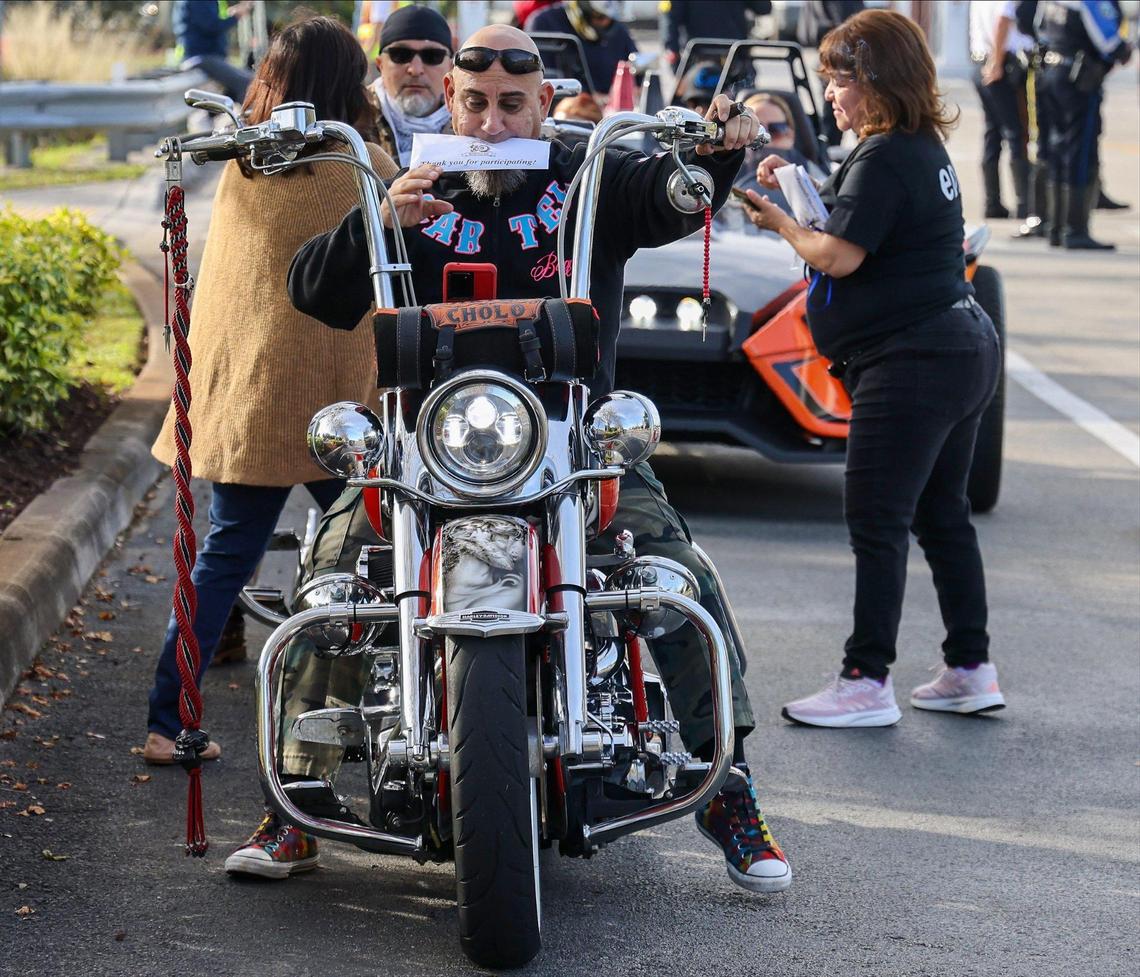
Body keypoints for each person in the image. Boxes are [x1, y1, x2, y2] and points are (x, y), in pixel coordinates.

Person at [229, 23, 793, 895]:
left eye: (512, 106)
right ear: (452, 102)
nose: (492, 125)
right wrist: (380, 222)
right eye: (476, 104)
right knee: (332, 579)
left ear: (542, 105)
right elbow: (313, 289)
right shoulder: (411, 185)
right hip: (422, 440)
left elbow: (673, 196)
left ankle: (728, 788)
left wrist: (717, 148)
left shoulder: (587, 177)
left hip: (572, 437)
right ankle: (294, 795)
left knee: (678, 577)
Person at [142, 16, 398, 765]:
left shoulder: (243, 166)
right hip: (338, 411)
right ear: (348, 85)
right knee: (380, 553)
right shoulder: (362, 162)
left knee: (223, 559)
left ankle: (167, 719)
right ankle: (374, 716)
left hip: (250, 397)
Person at [741, 9, 1006, 727]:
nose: (830, 92)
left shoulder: (888, 154)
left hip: (913, 356)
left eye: (840, 79)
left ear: (878, 81)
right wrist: (801, 191)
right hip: (957, 344)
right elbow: (855, 224)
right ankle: (970, 666)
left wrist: (780, 221)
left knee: (877, 517)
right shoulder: (915, 147)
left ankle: (866, 679)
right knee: (940, 513)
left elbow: (838, 253)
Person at [1036, 0, 1132, 250]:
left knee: (1056, 149)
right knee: (1079, 154)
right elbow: (1110, 42)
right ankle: (1075, 229)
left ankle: (1055, 226)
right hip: (1076, 81)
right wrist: (1125, 49)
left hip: (1051, 73)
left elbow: (1037, 26)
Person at [367, 4, 454, 167]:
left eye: (432, 56)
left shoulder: (476, 126)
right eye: (400, 55)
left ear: (450, 67)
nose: (415, 69)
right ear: (380, 65)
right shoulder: (352, 119)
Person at [970, 1, 1035, 219]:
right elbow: (1003, 20)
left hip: (981, 61)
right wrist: (997, 62)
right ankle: (1025, 202)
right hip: (1002, 64)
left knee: (993, 133)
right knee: (1017, 133)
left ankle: (992, 202)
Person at [526, 0, 637, 94]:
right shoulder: (545, 23)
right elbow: (542, 80)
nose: (606, 22)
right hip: (568, 110)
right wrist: (588, 98)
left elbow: (635, 65)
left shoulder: (619, 30)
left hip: (614, 113)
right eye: (599, 16)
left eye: (611, 18)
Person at [734, 92, 817, 214]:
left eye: (777, 129)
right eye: (757, 130)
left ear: (790, 135)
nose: (767, 139)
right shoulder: (721, 177)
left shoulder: (814, 176)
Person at [172, 0, 254, 103]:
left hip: (209, 56)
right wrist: (235, 16)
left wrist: (230, 14)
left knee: (250, 78)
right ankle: (249, 118)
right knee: (247, 83)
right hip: (201, 57)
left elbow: (209, 21)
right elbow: (211, 26)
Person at [663, 1, 771, 71]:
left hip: (733, 58)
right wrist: (673, 52)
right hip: (700, 59)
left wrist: (672, 50)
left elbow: (764, 8)